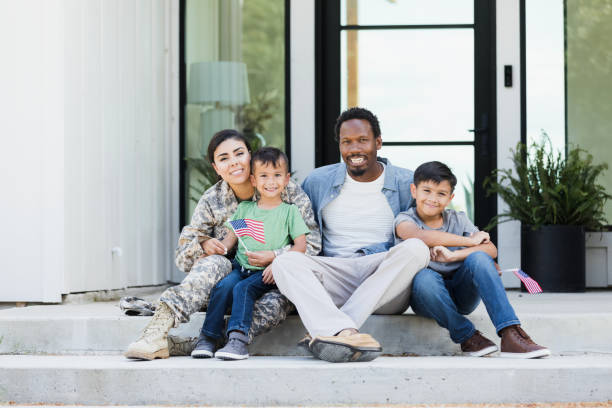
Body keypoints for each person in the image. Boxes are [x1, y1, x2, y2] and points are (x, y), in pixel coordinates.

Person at [125, 130, 321, 360]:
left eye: (239, 153)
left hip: (270, 282)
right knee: (215, 264)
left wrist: (277, 257)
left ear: (251, 155)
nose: (234, 162)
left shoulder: (284, 190)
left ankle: (202, 342)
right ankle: (156, 332)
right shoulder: (213, 199)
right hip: (223, 286)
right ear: (216, 168)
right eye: (224, 158)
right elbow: (183, 255)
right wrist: (205, 245)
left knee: (275, 304)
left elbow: (313, 245)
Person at [272, 107, 430, 363]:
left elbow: (434, 227)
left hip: (384, 280)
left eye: (362, 140)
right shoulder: (318, 181)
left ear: (378, 142)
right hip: (334, 275)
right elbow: (296, 230)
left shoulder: (406, 181)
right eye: (347, 142)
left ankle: (330, 329)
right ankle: (345, 331)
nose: (354, 149)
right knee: (284, 262)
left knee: (416, 248)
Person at [396, 161, 550, 358]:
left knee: (480, 257)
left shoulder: (458, 219)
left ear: (450, 197)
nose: (433, 199)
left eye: (441, 194)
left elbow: (490, 249)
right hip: (427, 297)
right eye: (427, 191)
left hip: (462, 294)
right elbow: (420, 236)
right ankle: (468, 336)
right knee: (424, 277)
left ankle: (510, 332)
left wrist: (454, 254)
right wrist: (469, 241)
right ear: (413, 190)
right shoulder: (404, 220)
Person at [191, 147, 310, 360]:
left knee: (242, 289)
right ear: (254, 180)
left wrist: (278, 261)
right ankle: (207, 338)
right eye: (264, 176)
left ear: (286, 179)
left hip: (266, 272)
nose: (270, 181)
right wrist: (214, 248)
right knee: (223, 286)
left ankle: (238, 340)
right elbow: (230, 239)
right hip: (241, 266)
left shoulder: (290, 211)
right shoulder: (245, 209)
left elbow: (301, 246)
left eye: (277, 175)